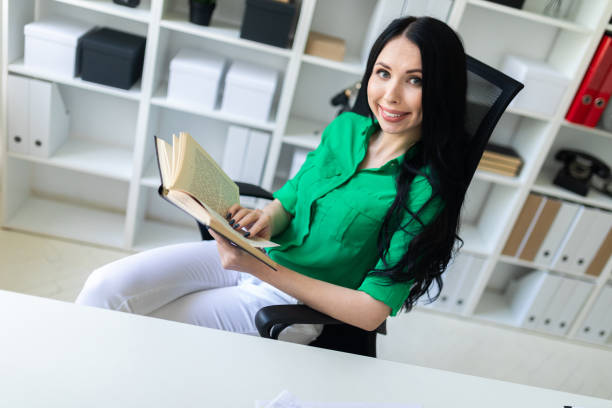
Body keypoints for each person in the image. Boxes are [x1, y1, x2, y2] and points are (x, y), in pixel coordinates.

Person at [76, 16, 468, 343]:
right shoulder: (347, 128)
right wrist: (269, 215)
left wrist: (257, 268)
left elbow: (370, 313)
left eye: (414, 80)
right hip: (258, 252)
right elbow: (295, 194)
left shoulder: (427, 190)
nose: (390, 94)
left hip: (295, 304)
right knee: (105, 286)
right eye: (383, 73)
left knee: (147, 334)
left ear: (442, 91)